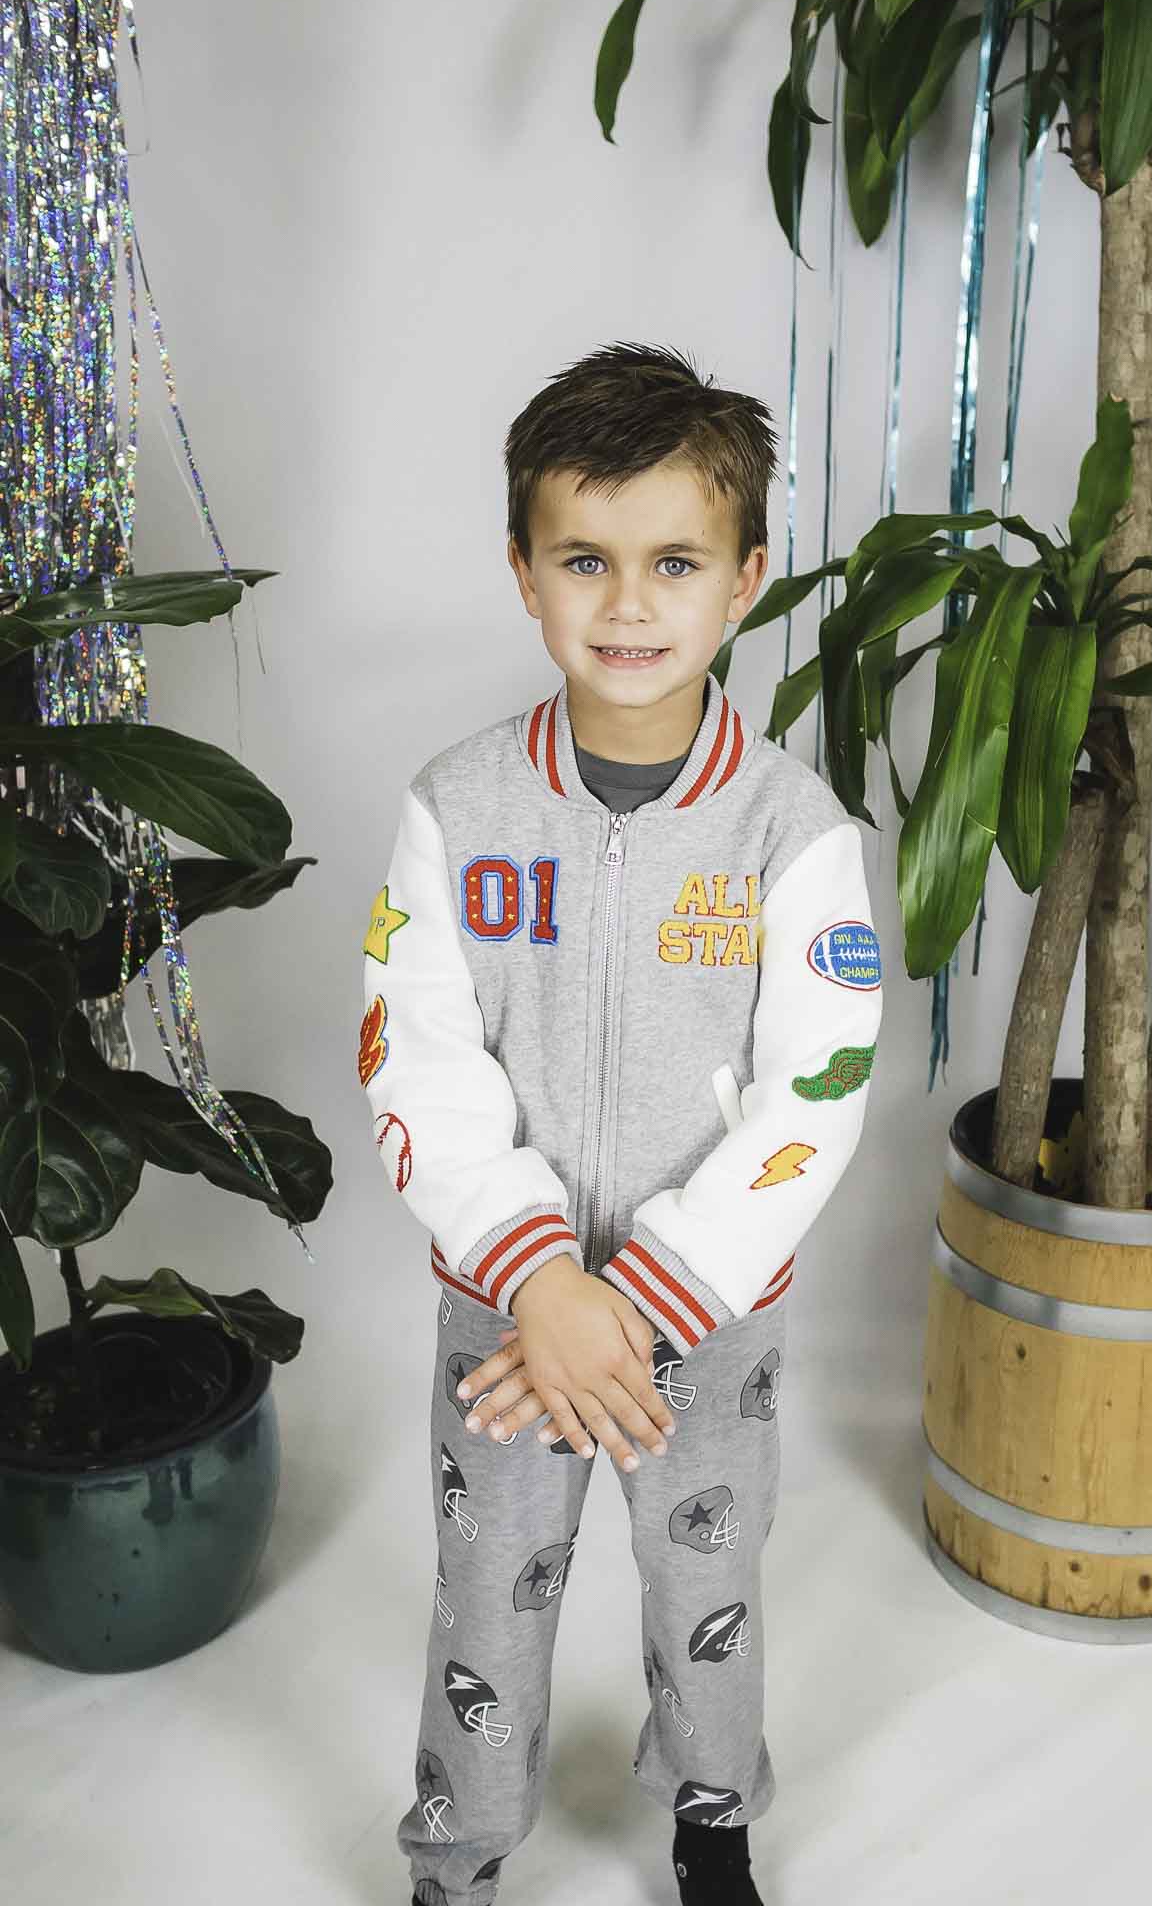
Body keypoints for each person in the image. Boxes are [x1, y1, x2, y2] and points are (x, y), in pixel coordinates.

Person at [359, 340, 883, 1906]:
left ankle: (711, 1822)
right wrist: (538, 1278)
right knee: (485, 1600)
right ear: (524, 571)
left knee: (706, 1586)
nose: (628, 604)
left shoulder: (791, 831)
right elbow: (416, 1057)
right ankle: (456, 1860)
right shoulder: (455, 806)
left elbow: (816, 1092)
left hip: (702, 1321)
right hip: (507, 1317)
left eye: (674, 562)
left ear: (745, 579)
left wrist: (641, 1298)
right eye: (585, 559)